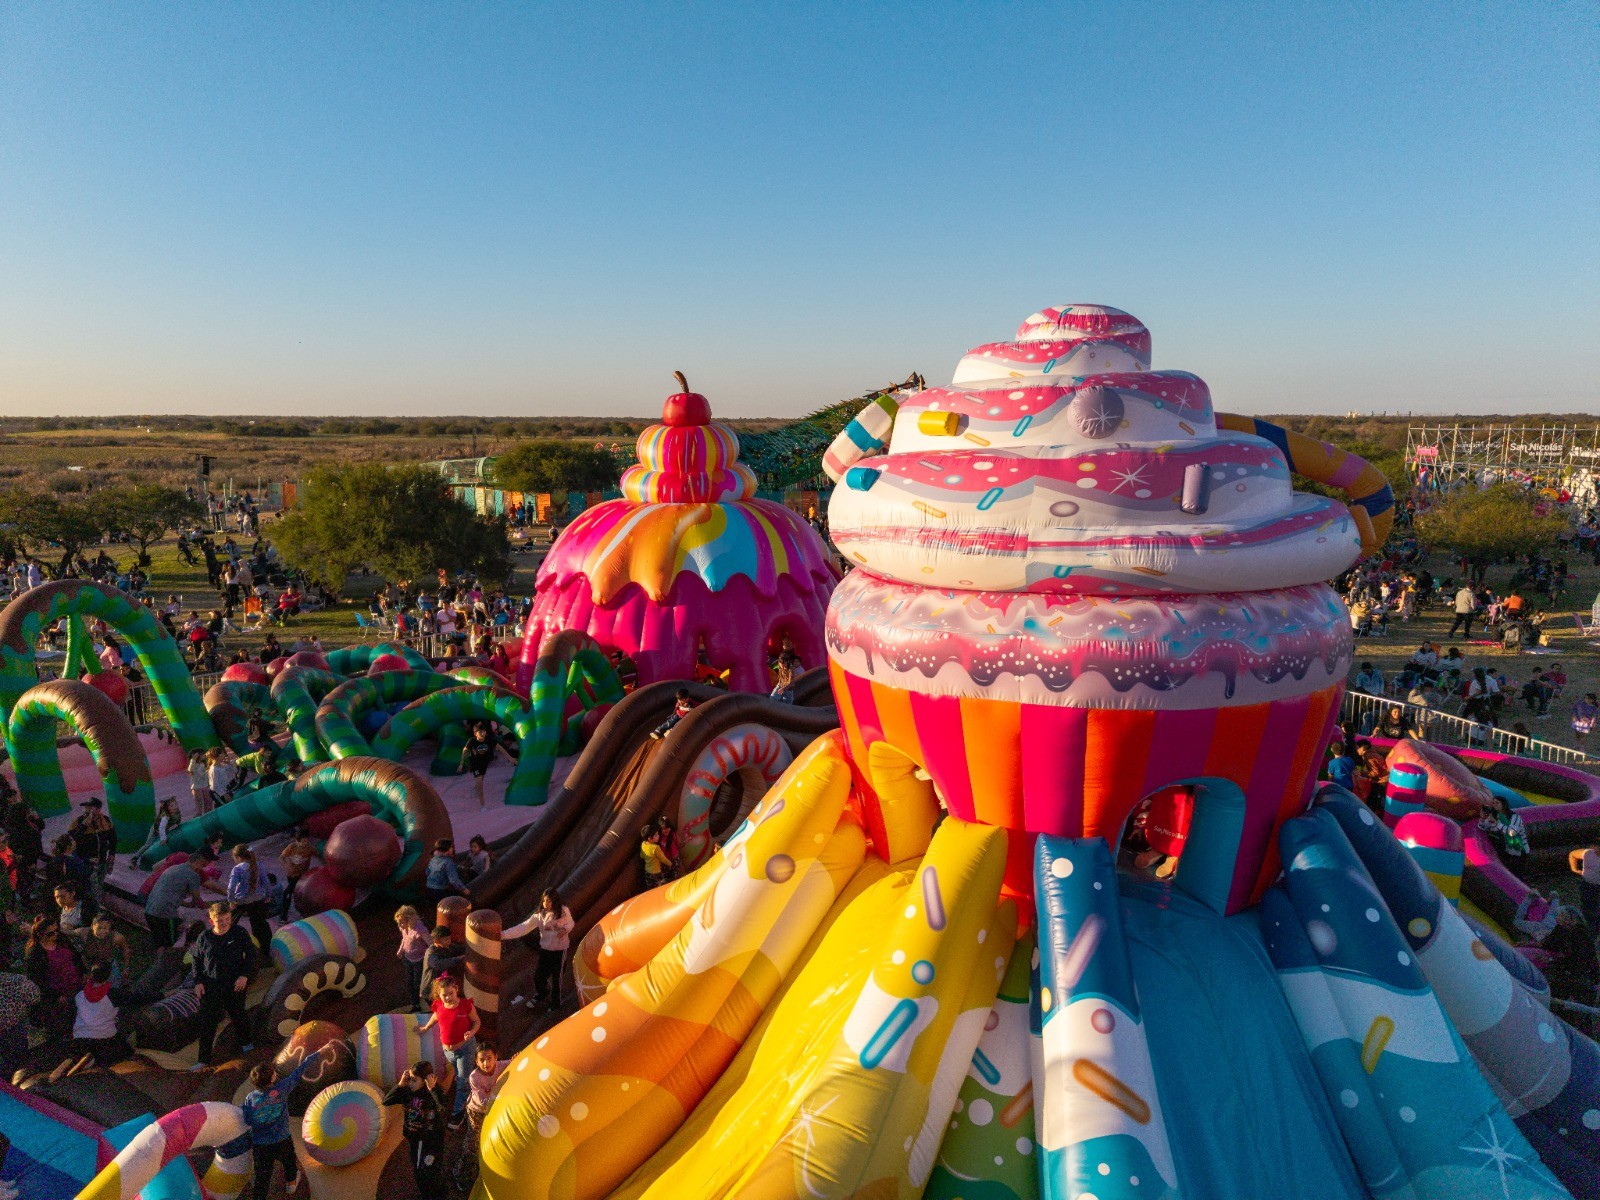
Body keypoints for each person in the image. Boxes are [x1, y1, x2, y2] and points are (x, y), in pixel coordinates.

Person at [241, 1046, 334, 1200]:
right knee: (289, 1162)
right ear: (272, 1078)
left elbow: (246, 1118)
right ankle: (291, 1184)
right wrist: (318, 1052)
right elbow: (299, 1072)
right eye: (273, 1072)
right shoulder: (282, 1089)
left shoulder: (250, 1098)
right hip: (282, 1140)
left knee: (262, 1178)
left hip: (260, 1145)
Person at [192, 900, 257, 1067]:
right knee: (208, 1023)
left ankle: (246, 1044)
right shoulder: (204, 937)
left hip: (234, 985)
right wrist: (198, 982)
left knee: (238, 1015)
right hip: (211, 986)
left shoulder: (239, 933)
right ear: (211, 920)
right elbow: (196, 960)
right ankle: (203, 1059)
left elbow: (251, 955)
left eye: (227, 919)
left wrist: (244, 976)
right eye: (220, 920)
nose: (224, 923)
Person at [418, 975, 480, 1128]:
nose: (448, 997)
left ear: (456, 990)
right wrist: (426, 1027)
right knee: (461, 1077)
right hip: (449, 1052)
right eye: (444, 994)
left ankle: (458, 1114)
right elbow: (436, 1017)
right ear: (439, 995)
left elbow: (476, 1021)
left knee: (461, 1081)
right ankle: (473, 1086)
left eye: (451, 993)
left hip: (465, 1048)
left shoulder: (465, 1006)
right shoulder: (439, 1006)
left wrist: (471, 1032)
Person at [382, 1062, 449, 1196]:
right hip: (415, 1139)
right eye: (410, 1079)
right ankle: (427, 1193)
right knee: (420, 1169)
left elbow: (444, 1106)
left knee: (430, 1168)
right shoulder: (407, 1093)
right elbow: (386, 1101)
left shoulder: (433, 1093)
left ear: (425, 1081)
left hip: (432, 1139)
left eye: (414, 1080)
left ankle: (437, 1192)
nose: (410, 1083)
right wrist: (400, 1085)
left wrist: (433, 1089)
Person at [24, 917, 83, 1037]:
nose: (56, 934)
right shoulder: (35, 953)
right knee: (62, 1021)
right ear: (40, 934)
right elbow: (38, 980)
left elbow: (75, 956)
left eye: (57, 930)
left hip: (75, 985)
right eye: (51, 933)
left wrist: (83, 971)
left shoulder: (62, 940)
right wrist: (56, 996)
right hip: (57, 994)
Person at [70, 963, 131, 1067]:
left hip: (80, 1038)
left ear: (91, 975)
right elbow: (138, 998)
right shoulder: (113, 995)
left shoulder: (79, 993)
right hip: (105, 1038)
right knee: (128, 1053)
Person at [145, 851, 208, 946]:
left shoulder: (173, 868)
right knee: (171, 944)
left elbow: (168, 895)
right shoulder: (193, 875)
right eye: (202, 865)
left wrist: (187, 904)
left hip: (149, 910)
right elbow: (197, 899)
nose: (202, 869)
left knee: (159, 942)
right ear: (197, 862)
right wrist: (206, 906)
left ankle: (159, 957)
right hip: (164, 914)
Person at [226, 844, 274, 955]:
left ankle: (228, 944)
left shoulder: (237, 869)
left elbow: (231, 887)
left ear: (238, 858)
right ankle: (266, 949)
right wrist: (268, 896)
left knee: (230, 922)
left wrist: (231, 901)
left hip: (241, 901)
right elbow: (266, 882)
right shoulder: (258, 865)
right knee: (260, 923)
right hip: (258, 899)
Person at [532, 888, 574, 1009]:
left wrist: (564, 930)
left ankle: (555, 1004)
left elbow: (571, 923)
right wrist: (503, 934)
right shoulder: (540, 915)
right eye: (544, 901)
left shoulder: (563, 911)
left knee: (556, 979)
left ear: (554, 901)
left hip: (560, 952)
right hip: (545, 950)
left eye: (549, 901)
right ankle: (543, 992)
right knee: (538, 976)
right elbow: (522, 927)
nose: (546, 904)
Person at [418, 925, 464, 1011]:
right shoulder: (431, 952)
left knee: (443, 1008)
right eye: (446, 939)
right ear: (436, 941)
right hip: (430, 991)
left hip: (440, 988)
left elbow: (460, 948)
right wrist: (457, 959)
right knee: (440, 1009)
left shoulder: (448, 947)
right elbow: (438, 964)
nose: (449, 941)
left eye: (449, 939)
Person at [458, 725, 503, 811]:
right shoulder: (472, 741)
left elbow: (499, 747)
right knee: (480, 784)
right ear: (475, 734)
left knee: (481, 778)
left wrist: (510, 758)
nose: (483, 733)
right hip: (475, 764)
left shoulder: (488, 739)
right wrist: (461, 763)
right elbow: (464, 750)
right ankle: (483, 805)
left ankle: (476, 788)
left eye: (484, 731)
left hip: (484, 763)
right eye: (480, 732)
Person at [80, 912, 130, 985]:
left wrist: (126, 968)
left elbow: (126, 950)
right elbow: (68, 932)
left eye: (106, 928)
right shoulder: (84, 933)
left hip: (108, 968)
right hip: (90, 966)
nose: (102, 931)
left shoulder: (116, 937)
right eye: (99, 928)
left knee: (113, 987)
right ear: (92, 926)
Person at [394, 905, 430, 1007]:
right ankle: (415, 1004)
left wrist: (427, 957)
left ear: (409, 920)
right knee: (409, 982)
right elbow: (404, 939)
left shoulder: (419, 930)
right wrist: (401, 950)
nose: (399, 925)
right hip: (408, 959)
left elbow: (430, 943)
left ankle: (425, 1001)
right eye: (398, 923)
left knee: (417, 983)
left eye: (401, 922)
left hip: (418, 961)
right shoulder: (403, 927)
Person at [279, 827, 314, 920]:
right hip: (291, 875)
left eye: (306, 841)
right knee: (295, 893)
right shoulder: (291, 847)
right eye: (302, 842)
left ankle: (283, 917)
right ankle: (301, 912)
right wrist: (286, 865)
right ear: (297, 841)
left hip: (301, 876)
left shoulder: (310, 848)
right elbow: (282, 857)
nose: (304, 844)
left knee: (287, 893)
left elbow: (318, 855)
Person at [424, 838, 467, 910]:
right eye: (451, 847)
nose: (452, 849)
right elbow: (454, 880)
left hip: (429, 889)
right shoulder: (448, 862)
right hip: (440, 892)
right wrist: (464, 889)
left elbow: (427, 872)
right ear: (447, 849)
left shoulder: (433, 859)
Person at [640, 820, 672, 888]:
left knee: (651, 888)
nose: (658, 836)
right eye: (656, 835)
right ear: (650, 838)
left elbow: (642, 856)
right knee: (660, 887)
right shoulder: (655, 848)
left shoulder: (643, 844)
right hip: (656, 872)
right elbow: (663, 859)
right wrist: (670, 863)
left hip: (647, 872)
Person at [187, 749, 214, 815]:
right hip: (196, 787)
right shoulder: (194, 765)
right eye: (202, 754)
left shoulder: (202, 764)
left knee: (208, 801)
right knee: (199, 802)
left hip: (204, 785)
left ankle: (208, 814)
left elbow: (204, 774)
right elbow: (190, 770)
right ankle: (198, 816)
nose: (204, 755)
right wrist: (193, 759)